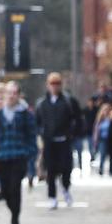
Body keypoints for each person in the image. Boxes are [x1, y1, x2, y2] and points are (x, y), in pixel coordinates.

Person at [0, 81, 36, 224]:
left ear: (18, 95)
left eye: (14, 93)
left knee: (15, 188)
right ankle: (12, 209)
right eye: (9, 93)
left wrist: (30, 154)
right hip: (2, 156)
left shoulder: (25, 114)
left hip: (18, 156)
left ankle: (15, 220)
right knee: (6, 190)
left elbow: (31, 135)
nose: (11, 96)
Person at [34, 72, 82, 209]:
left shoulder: (68, 102)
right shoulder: (42, 104)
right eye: (52, 84)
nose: (55, 87)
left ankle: (66, 188)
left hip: (64, 140)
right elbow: (37, 122)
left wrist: (72, 133)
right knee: (50, 170)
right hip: (49, 141)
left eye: (57, 83)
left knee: (66, 169)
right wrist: (41, 134)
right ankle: (52, 196)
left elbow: (77, 119)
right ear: (48, 85)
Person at [92, 103, 112, 176]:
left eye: (108, 110)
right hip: (102, 139)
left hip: (111, 139)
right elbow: (96, 131)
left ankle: (111, 170)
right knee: (102, 154)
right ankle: (101, 169)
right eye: (105, 110)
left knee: (111, 156)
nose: (106, 111)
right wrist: (95, 141)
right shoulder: (100, 119)